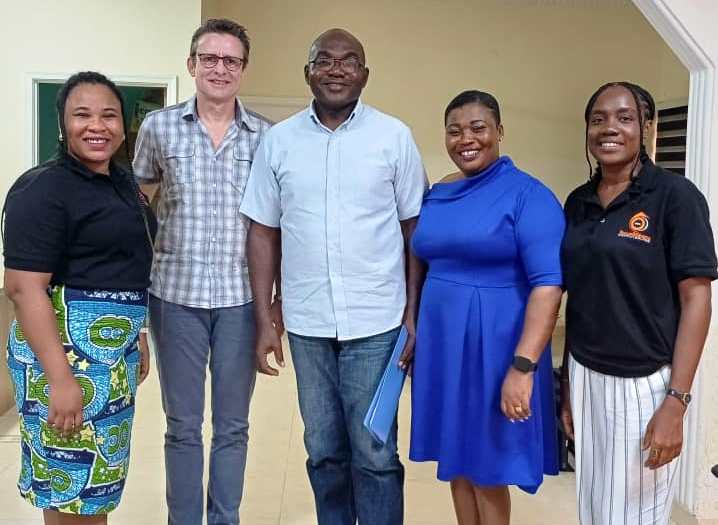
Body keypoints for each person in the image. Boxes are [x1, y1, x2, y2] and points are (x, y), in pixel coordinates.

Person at [240, 28, 427, 525]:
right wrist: (265, 317)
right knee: (323, 449)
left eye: (349, 61)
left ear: (365, 73)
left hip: (379, 320)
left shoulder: (394, 137)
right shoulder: (279, 142)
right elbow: (262, 232)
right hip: (307, 323)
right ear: (308, 73)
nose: (337, 68)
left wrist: (414, 311)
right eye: (325, 60)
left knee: (374, 451)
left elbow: (416, 231)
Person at [132, 18, 274, 525]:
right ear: (192, 65)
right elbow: (137, 210)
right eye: (209, 59)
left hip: (240, 300)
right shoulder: (159, 128)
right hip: (174, 298)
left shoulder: (266, 136)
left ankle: (224, 519)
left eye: (230, 60)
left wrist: (271, 307)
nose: (219, 68)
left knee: (233, 426)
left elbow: (275, 225)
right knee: (183, 426)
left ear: (242, 69)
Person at [559, 82, 717, 525]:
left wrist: (677, 401)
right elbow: (580, 297)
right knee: (594, 508)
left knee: (634, 516)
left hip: (644, 383)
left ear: (646, 128)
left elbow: (697, 300)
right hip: (586, 373)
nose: (610, 128)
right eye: (598, 119)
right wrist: (568, 384)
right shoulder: (579, 203)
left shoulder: (674, 197)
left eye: (624, 117)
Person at [3, 71, 156, 524]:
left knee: (97, 489)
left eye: (109, 115)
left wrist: (138, 333)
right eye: (82, 114)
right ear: (62, 123)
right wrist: (62, 379)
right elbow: (23, 287)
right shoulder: (43, 188)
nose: (97, 126)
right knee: (69, 487)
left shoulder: (123, 185)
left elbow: (128, 266)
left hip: (112, 362)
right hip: (65, 361)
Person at [408, 90, 565, 525]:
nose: (466, 139)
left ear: (499, 131)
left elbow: (548, 286)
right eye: (454, 131)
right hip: (443, 344)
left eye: (478, 128)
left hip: (493, 349)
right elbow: (422, 258)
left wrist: (523, 367)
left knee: (486, 466)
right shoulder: (440, 191)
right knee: (455, 458)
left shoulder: (528, 196)